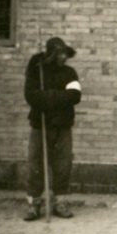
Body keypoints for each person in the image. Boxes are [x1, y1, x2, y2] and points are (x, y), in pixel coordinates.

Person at [23, 37, 82, 221]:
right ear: (51, 55)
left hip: (63, 127)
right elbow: (31, 96)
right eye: (59, 54)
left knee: (63, 165)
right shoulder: (36, 72)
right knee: (36, 166)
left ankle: (60, 203)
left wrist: (47, 98)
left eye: (65, 53)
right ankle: (34, 205)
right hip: (40, 126)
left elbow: (75, 95)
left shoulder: (70, 73)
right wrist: (58, 98)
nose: (63, 57)